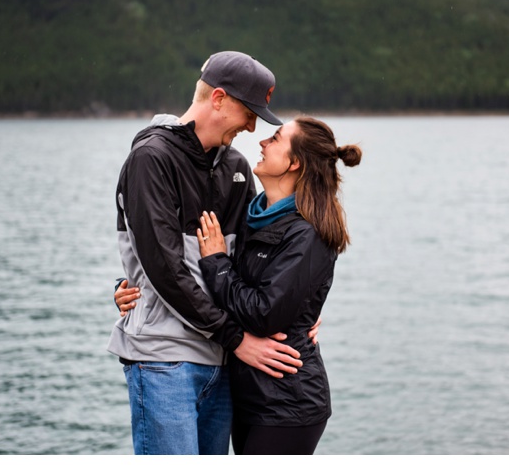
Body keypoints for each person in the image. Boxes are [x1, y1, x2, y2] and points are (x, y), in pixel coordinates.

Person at [107, 51, 306, 455]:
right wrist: (236, 338)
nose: (253, 126)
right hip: (165, 359)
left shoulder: (235, 167)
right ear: (218, 99)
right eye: (249, 112)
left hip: (222, 363)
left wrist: (303, 311)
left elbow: (255, 263)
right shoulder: (151, 159)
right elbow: (164, 269)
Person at [197, 117, 362, 454]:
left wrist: (216, 262)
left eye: (275, 138)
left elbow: (264, 313)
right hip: (249, 396)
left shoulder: (308, 234)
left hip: (289, 402)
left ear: (295, 162)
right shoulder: (252, 216)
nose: (262, 142)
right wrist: (132, 288)